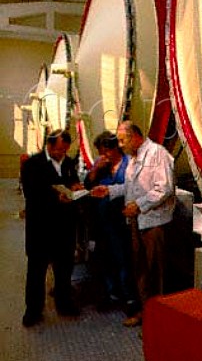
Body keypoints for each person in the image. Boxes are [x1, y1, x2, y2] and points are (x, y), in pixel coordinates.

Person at [92, 121, 175, 326]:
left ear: (134, 136)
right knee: (140, 270)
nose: (119, 145)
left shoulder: (157, 154)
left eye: (122, 140)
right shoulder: (134, 158)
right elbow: (131, 187)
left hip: (153, 223)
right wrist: (110, 191)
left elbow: (164, 188)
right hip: (137, 221)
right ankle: (145, 312)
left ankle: (157, 320)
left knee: (154, 272)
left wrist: (138, 205)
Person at [21, 129, 84, 327]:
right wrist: (56, 198)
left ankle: (64, 303)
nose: (61, 153)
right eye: (58, 150)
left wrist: (75, 187)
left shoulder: (68, 162)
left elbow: (71, 180)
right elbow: (31, 193)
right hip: (41, 226)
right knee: (37, 269)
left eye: (64, 150)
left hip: (64, 227)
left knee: (64, 266)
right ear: (49, 145)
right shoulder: (33, 164)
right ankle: (33, 310)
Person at [84, 131, 135, 312]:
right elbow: (87, 185)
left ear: (115, 149)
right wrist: (95, 169)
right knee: (104, 258)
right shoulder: (102, 167)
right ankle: (110, 293)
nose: (103, 156)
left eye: (106, 152)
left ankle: (128, 296)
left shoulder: (129, 164)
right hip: (102, 223)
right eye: (100, 152)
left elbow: (133, 189)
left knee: (124, 259)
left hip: (122, 222)